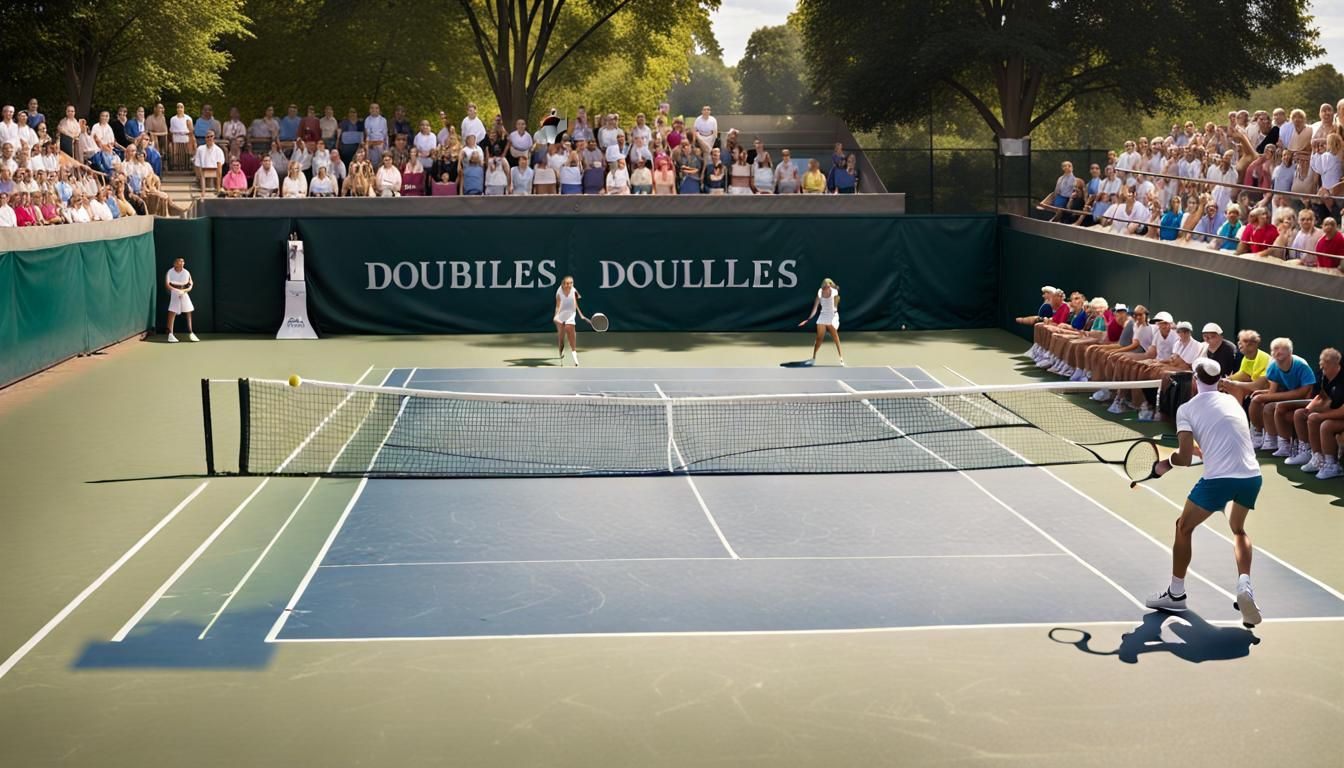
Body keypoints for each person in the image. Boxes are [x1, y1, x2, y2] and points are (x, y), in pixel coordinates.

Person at [1145, 358, 1262, 628]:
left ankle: (1176, 593)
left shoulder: (1186, 409)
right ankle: (1245, 583)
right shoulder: (1232, 401)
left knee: (1183, 527)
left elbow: (1184, 459)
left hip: (1218, 480)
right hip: (1251, 476)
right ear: (1219, 381)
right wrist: (1198, 451)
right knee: (1238, 530)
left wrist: (1166, 464)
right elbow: (1221, 440)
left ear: (1195, 380)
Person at [798, 278, 843, 366]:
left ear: (830, 285)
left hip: (832, 316)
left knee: (835, 337)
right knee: (819, 339)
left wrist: (834, 310)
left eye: (829, 286)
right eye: (826, 286)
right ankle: (813, 358)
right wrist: (807, 319)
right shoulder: (819, 292)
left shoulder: (834, 292)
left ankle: (841, 358)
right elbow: (815, 308)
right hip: (823, 316)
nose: (827, 288)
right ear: (823, 286)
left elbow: (836, 303)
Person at [553, 275, 588, 366]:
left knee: (570, 328)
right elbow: (557, 306)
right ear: (563, 284)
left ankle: (574, 352)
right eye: (567, 283)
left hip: (571, 313)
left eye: (571, 283)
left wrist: (581, 314)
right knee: (561, 336)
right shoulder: (559, 292)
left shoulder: (574, 290)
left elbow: (575, 303)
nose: (569, 285)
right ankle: (561, 350)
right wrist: (556, 316)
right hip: (561, 313)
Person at [165, 257, 199, 343]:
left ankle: (191, 332)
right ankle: (170, 334)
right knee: (172, 310)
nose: (182, 262)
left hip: (184, 293)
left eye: (183, 261)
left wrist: (183, 291)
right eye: (179, 261)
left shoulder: (187, 272)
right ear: (175, 264)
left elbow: (190, 285)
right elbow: (167, 285)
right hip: (174, 292)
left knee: (189, 310)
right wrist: (177, 291)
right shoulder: (170, 272)